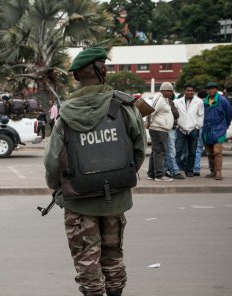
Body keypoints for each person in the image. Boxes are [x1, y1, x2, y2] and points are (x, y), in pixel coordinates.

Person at [45, 47, 146, 296]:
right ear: (103, 71)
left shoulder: (65, 113)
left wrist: (57, 187)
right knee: (113, 258)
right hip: (116, 199)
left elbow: (52, 163)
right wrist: (120, 177)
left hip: (79, 202)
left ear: (77, 76)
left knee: (87, 265)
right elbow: (139, 148)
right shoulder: (124, 105)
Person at [202, 82, 232, 180]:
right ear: (206, 91)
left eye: (213, 88)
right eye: (208, 89)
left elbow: (230, 114)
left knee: (217, 152)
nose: (211, 90)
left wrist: (225, 125)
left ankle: (219, 172)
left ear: (216, 89)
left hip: (219, 130)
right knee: (209, 153)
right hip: (206, 131)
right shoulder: (204, 102)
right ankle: (213, 171)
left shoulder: (223, 100)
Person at [146, 83, 175, 181]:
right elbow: (150, 111)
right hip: (158, 129)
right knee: (160, 152)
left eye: (171, 90)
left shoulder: (165, 99)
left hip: (161, 128)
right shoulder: (159, 99)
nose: (171, 92)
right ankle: (159, 175)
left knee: (156, 151)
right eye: (168, 90)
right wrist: (148, 122)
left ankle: (151, 174)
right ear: (162, 91)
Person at [174, 85, 204, 177]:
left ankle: (189, 170)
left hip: (193, 130)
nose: (190, 92)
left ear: (194, 92)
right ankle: (176, 170)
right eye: (188, 90)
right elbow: (174, 115)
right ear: (184, 91)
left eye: (192, 90)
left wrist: (197, 126)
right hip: (181, 129)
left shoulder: (199, 102)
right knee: (178, 151)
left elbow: (201, 115)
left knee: (192, 152)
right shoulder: (177, 102)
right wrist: (177, 125)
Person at [163, 86, 183, 179]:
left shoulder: (168, 102)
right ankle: (174, 171)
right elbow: (176, 114)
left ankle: (165, 170)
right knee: (171, 151)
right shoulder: (168, 103)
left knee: (168, 151)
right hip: (169, 128)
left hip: (170, 128)